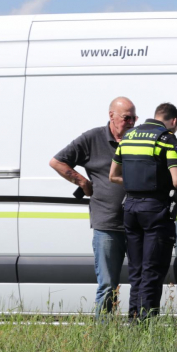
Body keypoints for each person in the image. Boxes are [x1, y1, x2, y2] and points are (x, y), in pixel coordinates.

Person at [50, 97, 137, 320]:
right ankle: (103, 336)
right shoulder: (93, 138)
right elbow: (57, 161)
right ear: (112, 116)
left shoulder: (136, 140)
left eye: (133, 119)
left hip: (137, 222)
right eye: (126, 118)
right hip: (107, 223)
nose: (130, 123)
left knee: (141, 280)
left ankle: (139, 330)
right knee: (108, 285)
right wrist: (82, 182)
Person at [109, 103, 177, 319]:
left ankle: (134, 320)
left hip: (130, 208)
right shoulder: (166, 138)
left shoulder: (129, 136)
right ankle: (145, 326)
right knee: (152, 270)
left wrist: (136, 182)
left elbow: (113, 176)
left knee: (136, 271)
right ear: (174, 122)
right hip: (154, 210)